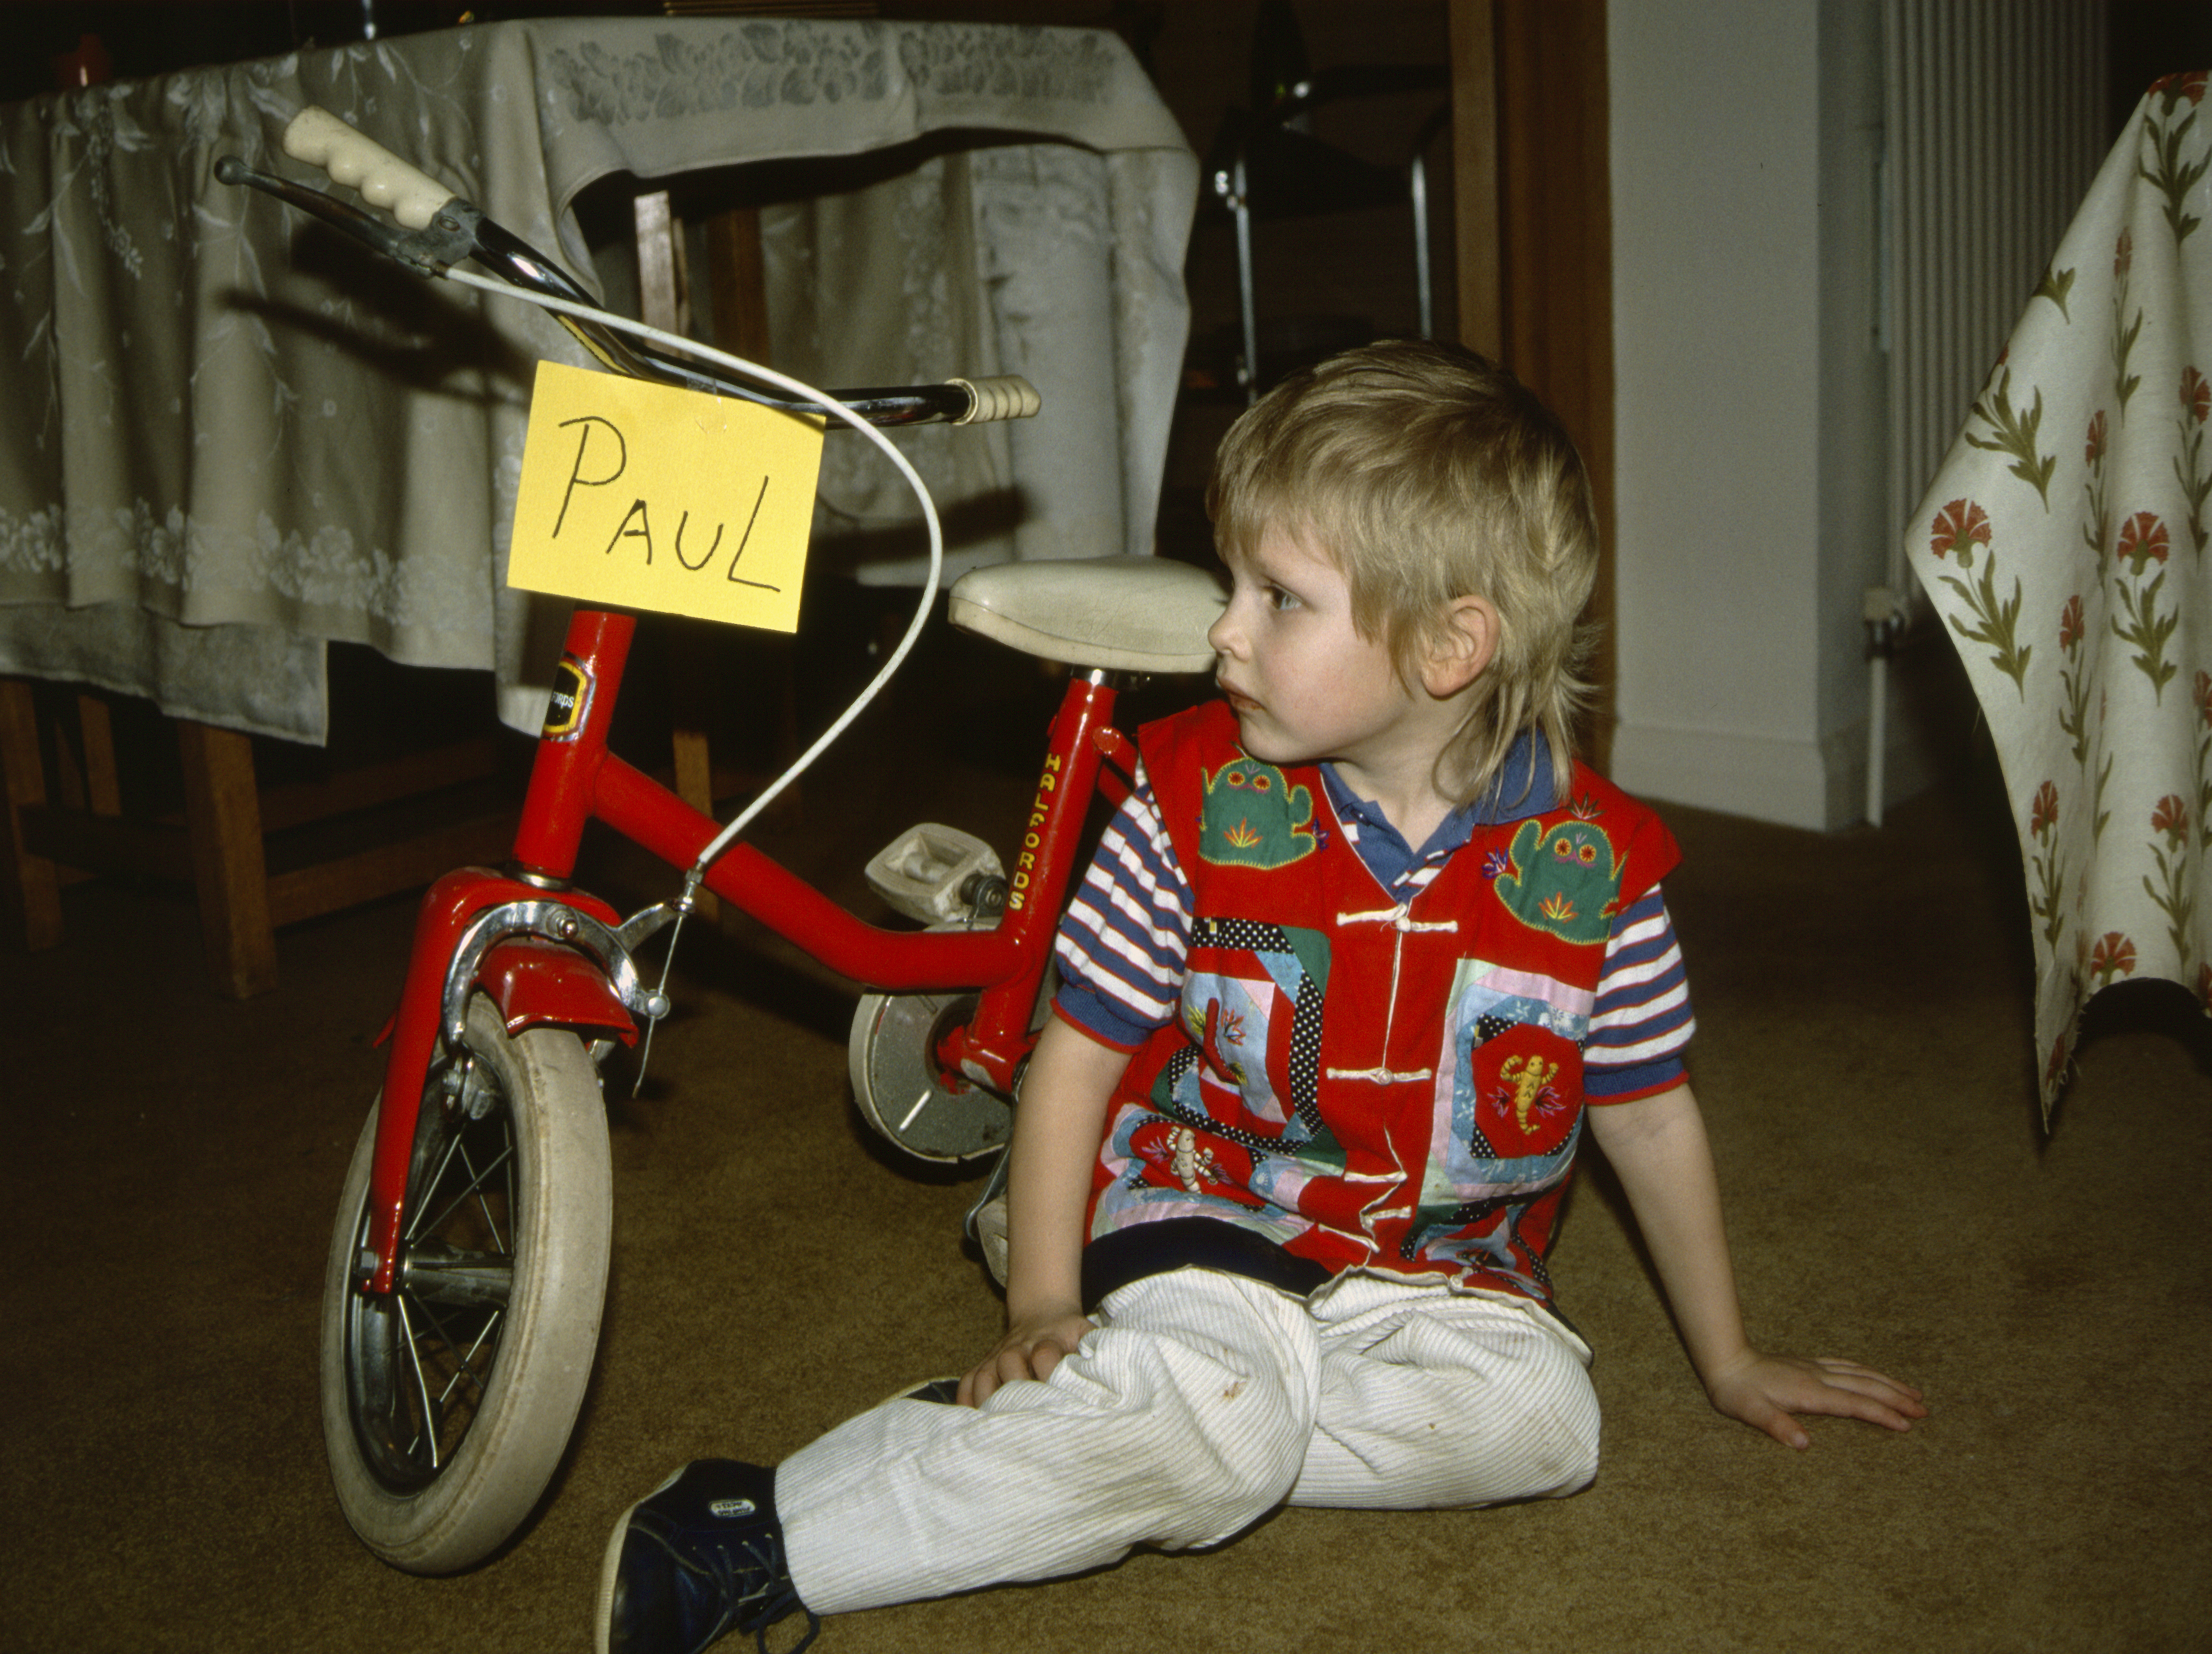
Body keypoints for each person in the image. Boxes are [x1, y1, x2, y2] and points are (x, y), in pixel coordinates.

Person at [595, 340, 1926, 1654]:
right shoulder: (1186, 804)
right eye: (1234, 581)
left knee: (1544, 1425)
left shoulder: (1598, 878)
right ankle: (755, 1525)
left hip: (1437, 1266)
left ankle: (1131, 1419)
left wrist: (1730, 1355)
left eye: (1279, 598)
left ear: (1451, 647)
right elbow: (1075, 1052)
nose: (1220, 627)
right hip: (1209, 1200)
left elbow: (1646, 1117)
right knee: (1226, 1405)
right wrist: (1040, 1302)